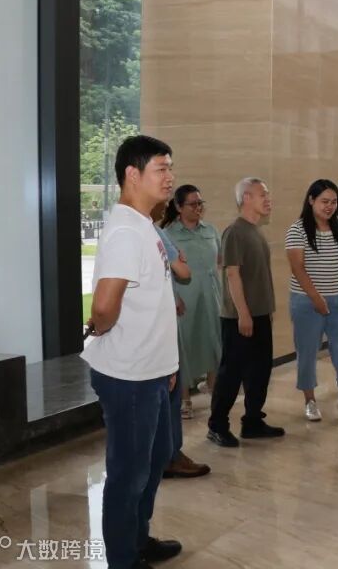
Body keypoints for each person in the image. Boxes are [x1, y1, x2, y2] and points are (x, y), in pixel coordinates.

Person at [81, 135, 183, 569]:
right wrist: (100, 327)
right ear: (132, 174)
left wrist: (167, 364)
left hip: (153, 370)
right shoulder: (126, 231)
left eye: (170, 167)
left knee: (154, 461)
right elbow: (104, 306)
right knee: (129, 473)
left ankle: (138, 539)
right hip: (129, 376)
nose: (170, 176)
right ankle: (123, 559)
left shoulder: (145, 224)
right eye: (161, 168)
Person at [207, 178, 284, 447]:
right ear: (246, 198)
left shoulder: (256, 231)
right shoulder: (235, 232)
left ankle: (252, 422)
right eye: (263, 194)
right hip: (239, 318)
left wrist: (263, 312)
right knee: (232, 373)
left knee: (260, 372)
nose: (268, 199)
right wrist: (243, 313)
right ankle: (217, 426)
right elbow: (232, 274)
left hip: (260, 315)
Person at [286, 179, 338, 423]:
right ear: (311, 200)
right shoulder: (297, 230)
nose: (329, 207)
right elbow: (298, 268)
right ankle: (310, 401)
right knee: (307, 353)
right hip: (306, 302)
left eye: (333, 202)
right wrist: (316, 299)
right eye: (324, 201)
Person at [149, 200, 210, 481]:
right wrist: (179, 260)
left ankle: (165, 454)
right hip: (155, 330)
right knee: (167, 396)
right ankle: (169, 456)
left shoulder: (137, 229)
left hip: (152, 327)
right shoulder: (155, 232)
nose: (165, 204)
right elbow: (183, 271)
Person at [160, 185, 222, 414]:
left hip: (212, 295)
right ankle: (184, 399)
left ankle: (214, 387)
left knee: (215, 341)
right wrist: (174, 297)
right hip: (185, 298)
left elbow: (219, 260)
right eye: (192, 204)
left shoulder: (210, 230)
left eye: (200, 203)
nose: (198, 208)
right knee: (184, 347)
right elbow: (164, 272)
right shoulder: (168, 234)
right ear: (178, 207)